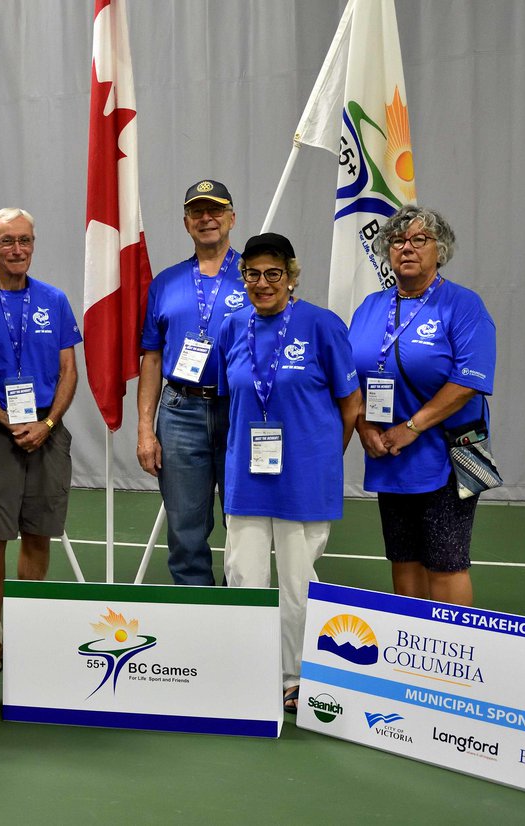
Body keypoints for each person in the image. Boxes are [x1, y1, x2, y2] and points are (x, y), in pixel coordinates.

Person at [217, 233, 361, 713]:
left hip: (303, 480)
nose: (263, 283)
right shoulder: (233, 326)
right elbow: (231, 396)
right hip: (247, 477)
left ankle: (296, 676)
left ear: (292, 276)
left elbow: (351, 404)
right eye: (253, 274)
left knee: (298, 584)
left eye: (273, 273)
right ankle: (247, 669)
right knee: (243, 577)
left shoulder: (322, 326)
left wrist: (323, 459)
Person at [0, 208, 81, 674]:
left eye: (25, 240)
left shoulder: (55, 300)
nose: (18, 249)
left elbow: (69, 371)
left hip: (46, 431)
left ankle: (27, 628)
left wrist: (46, 425)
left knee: (38, 530)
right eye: (7, 241)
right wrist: (8, 421)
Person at [350, 205, 496, 607]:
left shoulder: (463, 306)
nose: (407, 248)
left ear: (440, 249)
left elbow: (470, 381)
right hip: (388, 453)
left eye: (419, 239)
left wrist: (410, 428)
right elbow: (348, 379)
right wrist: (364, 428)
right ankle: (410, 650)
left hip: (448, 453)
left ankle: (450, 655)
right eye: (397, 241)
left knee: (446, 562)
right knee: (403, 557)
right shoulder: (370, 307)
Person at [137, 179, 247, 585]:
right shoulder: (165, 283)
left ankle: (239, 612)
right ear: (186, 223)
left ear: (232, 218)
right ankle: (197, 612)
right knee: (185, 528)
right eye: (198, 212)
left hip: (240, 410)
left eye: (216, 210)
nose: (207, 219)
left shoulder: (256, 277)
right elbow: (151, 358)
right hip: (180, 412)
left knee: (245, 524)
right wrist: (145, 430)